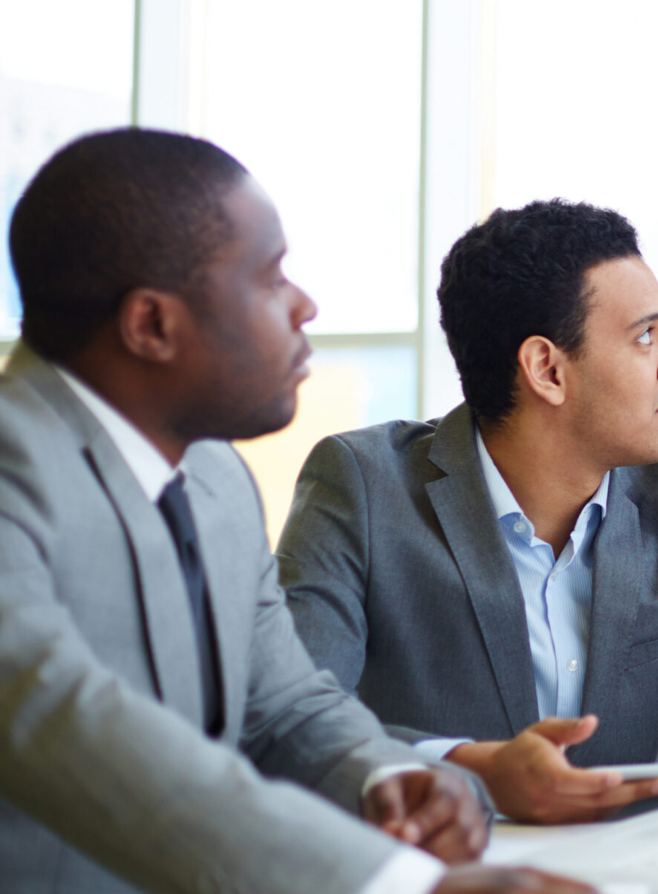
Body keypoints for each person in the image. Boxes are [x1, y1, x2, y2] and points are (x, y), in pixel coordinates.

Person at [0, 129, 585, 894]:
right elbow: (58, 719)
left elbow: (282, 705)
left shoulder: (213, 475)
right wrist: (405, 884)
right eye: (271, 277)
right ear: (151, 325)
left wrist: (383, 776)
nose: (304, 305)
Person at [277, 199, 658, 824]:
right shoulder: (362, 487)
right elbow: (288, 719)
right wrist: (470, 768)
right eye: (646, 335)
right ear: (547, 370)